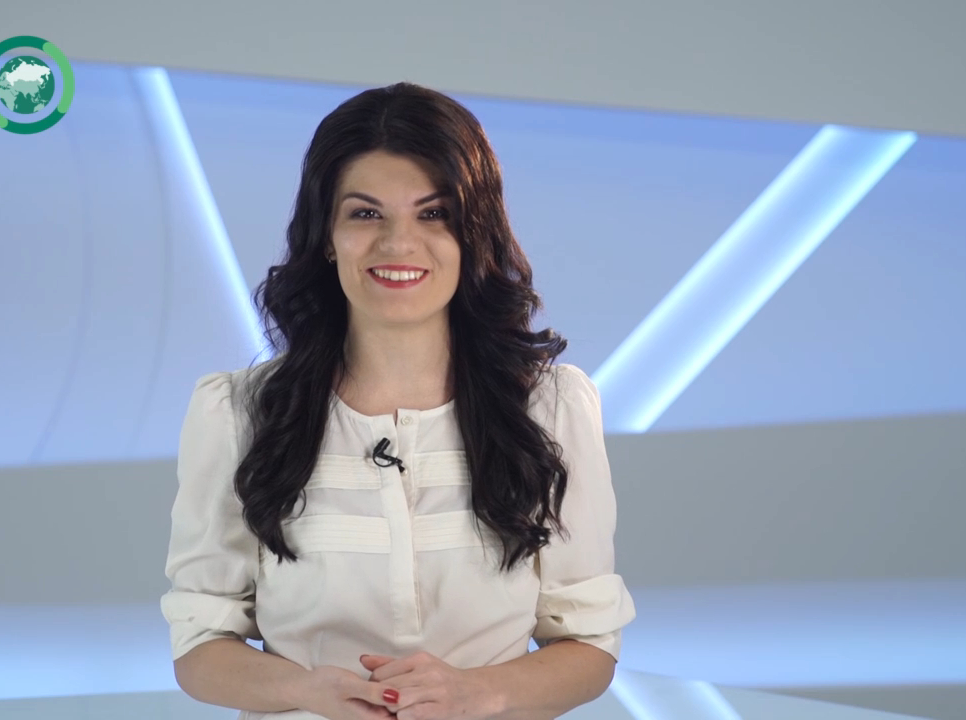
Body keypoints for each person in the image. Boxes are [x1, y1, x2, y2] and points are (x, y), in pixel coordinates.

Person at [160, 83, 637, 720]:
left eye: (433, 214)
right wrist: (307, 691)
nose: (398, 244)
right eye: (365, 214)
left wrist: (476, 694)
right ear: (326, 235)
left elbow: (588, 643)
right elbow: (200, 645)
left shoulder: (550, 407)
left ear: (474, 232)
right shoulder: (237, 412)